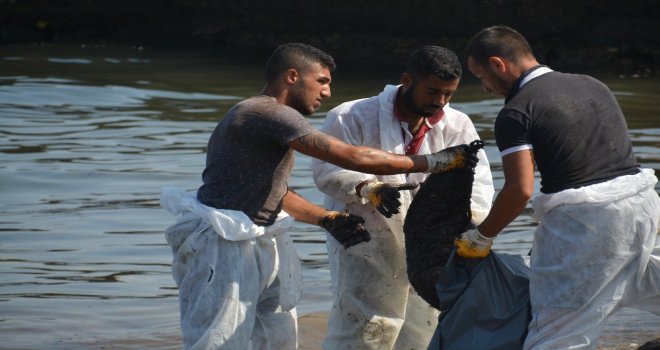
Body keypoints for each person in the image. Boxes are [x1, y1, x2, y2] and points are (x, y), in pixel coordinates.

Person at [160, 43, 481, 350]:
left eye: (447, 94)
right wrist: (432, 163)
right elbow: (352, 159)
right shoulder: (267, 112)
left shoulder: (268, 119)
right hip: (222, 241)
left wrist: (326, 218)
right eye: (322, 81)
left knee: (274, 338)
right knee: (219, 338)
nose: (327, 92)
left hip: (259, 235)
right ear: (292, 76)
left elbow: (274, 192)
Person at [458, 25, 660, 349]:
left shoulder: (516, 111)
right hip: (642, 205)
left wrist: (481, 237)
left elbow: (519, 191)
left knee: (557, 333)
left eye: (481, 76)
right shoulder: (592, 85)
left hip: (588, 223)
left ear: (498, 64)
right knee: (638, 281)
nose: (484, 87)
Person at [311, 45, 494, 349]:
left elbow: (480, 181)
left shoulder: (458, 123)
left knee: (423, 325)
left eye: (449, 94)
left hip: (431, 242)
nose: (440, 102)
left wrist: (470, 218)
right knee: (364, 327)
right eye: (433, 91)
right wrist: (367, 188)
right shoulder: (351, 115)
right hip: (368, 238)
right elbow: (326, 170)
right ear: (407, 80)